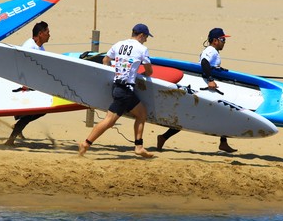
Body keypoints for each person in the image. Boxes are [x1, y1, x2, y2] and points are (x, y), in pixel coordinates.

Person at [78, 23, 155, 158]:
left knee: (141, 113)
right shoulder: (142, 49)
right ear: (141, 35)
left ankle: (139, 146)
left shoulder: (118, 44)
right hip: (125, 91)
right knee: (109, 121)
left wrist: (115, 73)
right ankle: (85, 143)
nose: (146, 40)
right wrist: (141, 75)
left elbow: (105, 60)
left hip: (118, 87)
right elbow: (149, 71)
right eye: (146, 37)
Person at [157, 27, 237, 153]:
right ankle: (163, 137)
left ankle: (223, 142)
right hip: (205, 88)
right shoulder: (210, 50)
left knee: (218, 113)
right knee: (221, 113)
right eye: (222, 39)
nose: (224, 42)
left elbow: (208, 65)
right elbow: (204, 63)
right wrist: (210, 79)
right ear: (215, 40)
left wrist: (218, 70)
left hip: (207, 87)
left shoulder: (213, 51)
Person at [5, 21, 50, 146]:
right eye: (47, 32)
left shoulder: (40, 48)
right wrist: (23, 84)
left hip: (32, 85)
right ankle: (11, 139)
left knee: (41, 110)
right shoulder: (29, 46)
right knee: (33, 111)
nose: (49, 35)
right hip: (21, 85)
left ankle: (16, 129)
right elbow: (19, 65)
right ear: (40, 34)